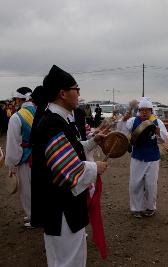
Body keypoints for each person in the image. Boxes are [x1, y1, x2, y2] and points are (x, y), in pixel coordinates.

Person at [30, 65, 109, 266]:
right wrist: (95, 168)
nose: (79, 94)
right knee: (68, 261)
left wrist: (92, 141)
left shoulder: (56, 119)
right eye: (77, 88)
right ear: (62, 93)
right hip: (61, 208)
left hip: (57, 206)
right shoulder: (53, 123)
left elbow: (68, 150)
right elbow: (66, 169)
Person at [126, 97, 168, 218]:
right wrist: (123, 121)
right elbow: (122, 131)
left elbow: (164, 139)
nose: (144, 112)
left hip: (153, 157)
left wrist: (158, 133)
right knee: (135, 184)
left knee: (151, 185)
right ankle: (136, 208)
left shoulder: (157, 122)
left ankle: (150, 207)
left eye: (147, 110)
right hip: (137, 156)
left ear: (151, 111)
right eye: (142, 110)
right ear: (139, 111)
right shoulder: (132, 121)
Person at [5, 86, 35, 228]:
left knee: (27, 190)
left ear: (19, 99)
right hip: (42, 156)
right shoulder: (39, 112)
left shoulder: (17, 117)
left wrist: (12, 164)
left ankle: (33, 217)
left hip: (25, 158)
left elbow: (13, 143)